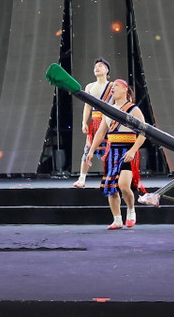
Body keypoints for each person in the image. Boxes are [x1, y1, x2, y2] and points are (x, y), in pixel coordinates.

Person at [85, 79, 146, 229]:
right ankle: (117, 219)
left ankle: (131, 210)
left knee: (124, 185)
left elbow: (144, 132)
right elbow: (100, 133)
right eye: (111, 86)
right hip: (112, 151)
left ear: (125, 89)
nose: (112, 88)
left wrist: (133, 150)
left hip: (128, 150)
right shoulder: (109, 110)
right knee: (111, 187)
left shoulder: (133, 109)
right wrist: (91, 150)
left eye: (116, 86)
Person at [74, 58, 115, 188]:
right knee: (87, 150)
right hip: (95, 122)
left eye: (101, 66)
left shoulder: (113, 86)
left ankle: (108, 179)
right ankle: (82, 178)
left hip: (109, 123)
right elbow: (87, 106)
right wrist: (84, 122)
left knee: (109, 152)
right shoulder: (90, 87)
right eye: (95, 66)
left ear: (107, 70)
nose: (97, 68)